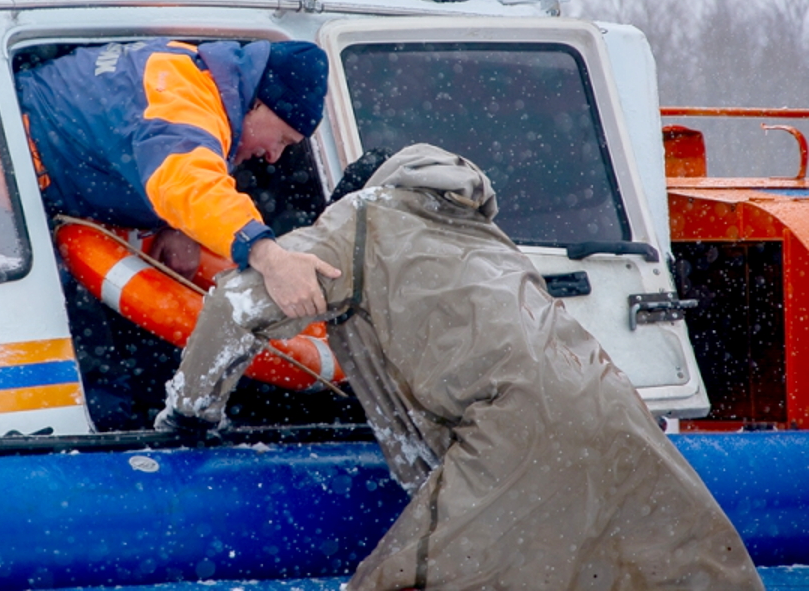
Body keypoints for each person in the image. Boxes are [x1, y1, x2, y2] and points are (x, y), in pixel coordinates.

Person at [156, 144, 763, 590]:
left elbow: (234, 303)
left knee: (408, 580)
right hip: (617, 411)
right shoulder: (480, 231)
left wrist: (192, 409)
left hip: (517, 427)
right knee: (678, 573)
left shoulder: (356, 220)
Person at [15, 38, 341, 318]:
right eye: (283, 140)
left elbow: (175, 153)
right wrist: (269, 257)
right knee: (94, 357)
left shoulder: (191, 69)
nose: (274, 156)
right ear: (258, 104)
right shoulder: (183, 107)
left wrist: (177, 226)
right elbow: (190, 182)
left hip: (13, 159)